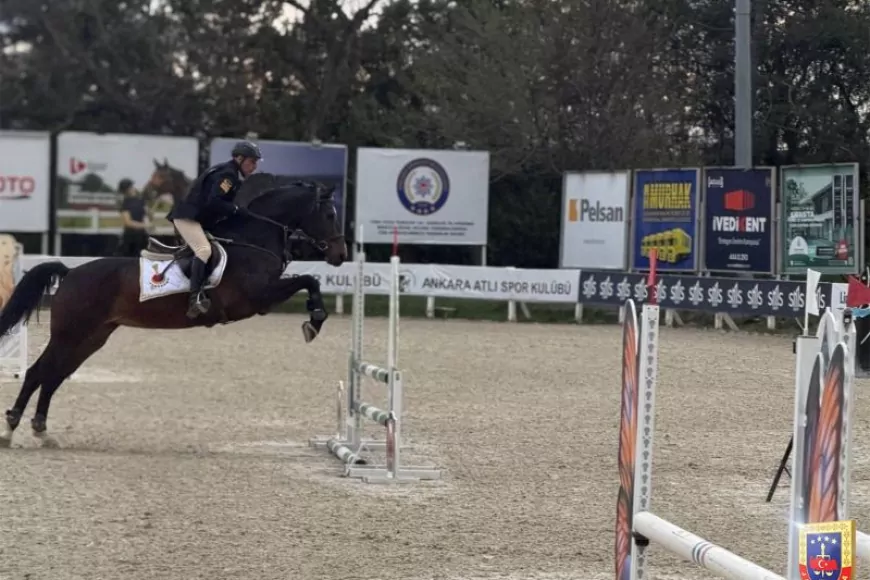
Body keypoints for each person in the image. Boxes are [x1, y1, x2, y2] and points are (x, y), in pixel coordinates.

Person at [167, 140, 262, 318]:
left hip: (199, 219)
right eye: (252, 161)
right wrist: (235, 210)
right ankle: (194, 297)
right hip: (187, 218)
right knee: (203, 250)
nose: (254, 166)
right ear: (239, 158)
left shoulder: (230, 172)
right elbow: (214, 201)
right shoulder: (228, 174)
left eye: (256, 162)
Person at [115, 179, 150, 257]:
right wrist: (145, 225)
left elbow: (145, 215)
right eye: (130, 187)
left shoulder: (141, 200)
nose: (133, 188)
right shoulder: (124, 203)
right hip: (130, 237)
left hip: (142, 236)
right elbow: (128, 223)